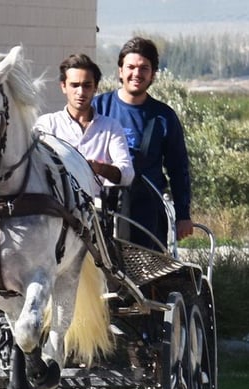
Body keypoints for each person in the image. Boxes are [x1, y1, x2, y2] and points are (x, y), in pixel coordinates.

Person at [93, 37, 194, 247]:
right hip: (101, 209)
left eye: (144, 68)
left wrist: (183, 215)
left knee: (148, 267)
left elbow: (179, 169)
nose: (137, 73)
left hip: (148, 214)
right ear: (120, 70)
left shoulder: (164, 117)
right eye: (131, 67)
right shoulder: (98, 107)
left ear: (153, 74)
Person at [35, 53, 134, 193]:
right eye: (74, 85)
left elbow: (127, 174)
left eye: (87, 85)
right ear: (63, 87)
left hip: (97, 205)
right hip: (55, 204)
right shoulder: (47, 125)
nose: (81, 92)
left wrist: (99, 168)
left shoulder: (111, 127)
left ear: (95, 87)